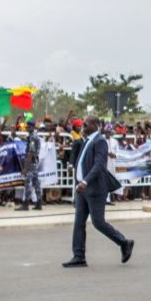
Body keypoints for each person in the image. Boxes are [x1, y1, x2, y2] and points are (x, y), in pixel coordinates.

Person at [62, 115, 134, 268]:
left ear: (95, 125)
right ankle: (79, 256)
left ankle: (124, 242)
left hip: (94, 188)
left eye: (86, 124)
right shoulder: (87, 140)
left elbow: (99, 164)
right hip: (82, 189)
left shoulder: (100, 141)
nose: (83, 126)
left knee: (98, 222)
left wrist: (85, 181)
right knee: (79, 223)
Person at [16, 120, 42, 211]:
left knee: (28, 183)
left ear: (32, 127)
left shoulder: (32, 138)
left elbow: (30, 153)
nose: (27, 128)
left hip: (31, 163)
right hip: (35, 162)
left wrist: (25, 168)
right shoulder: (35, 136)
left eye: (29, 127)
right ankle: (39, 203)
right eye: (27, 126)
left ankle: (26, 204)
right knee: (36, 182)